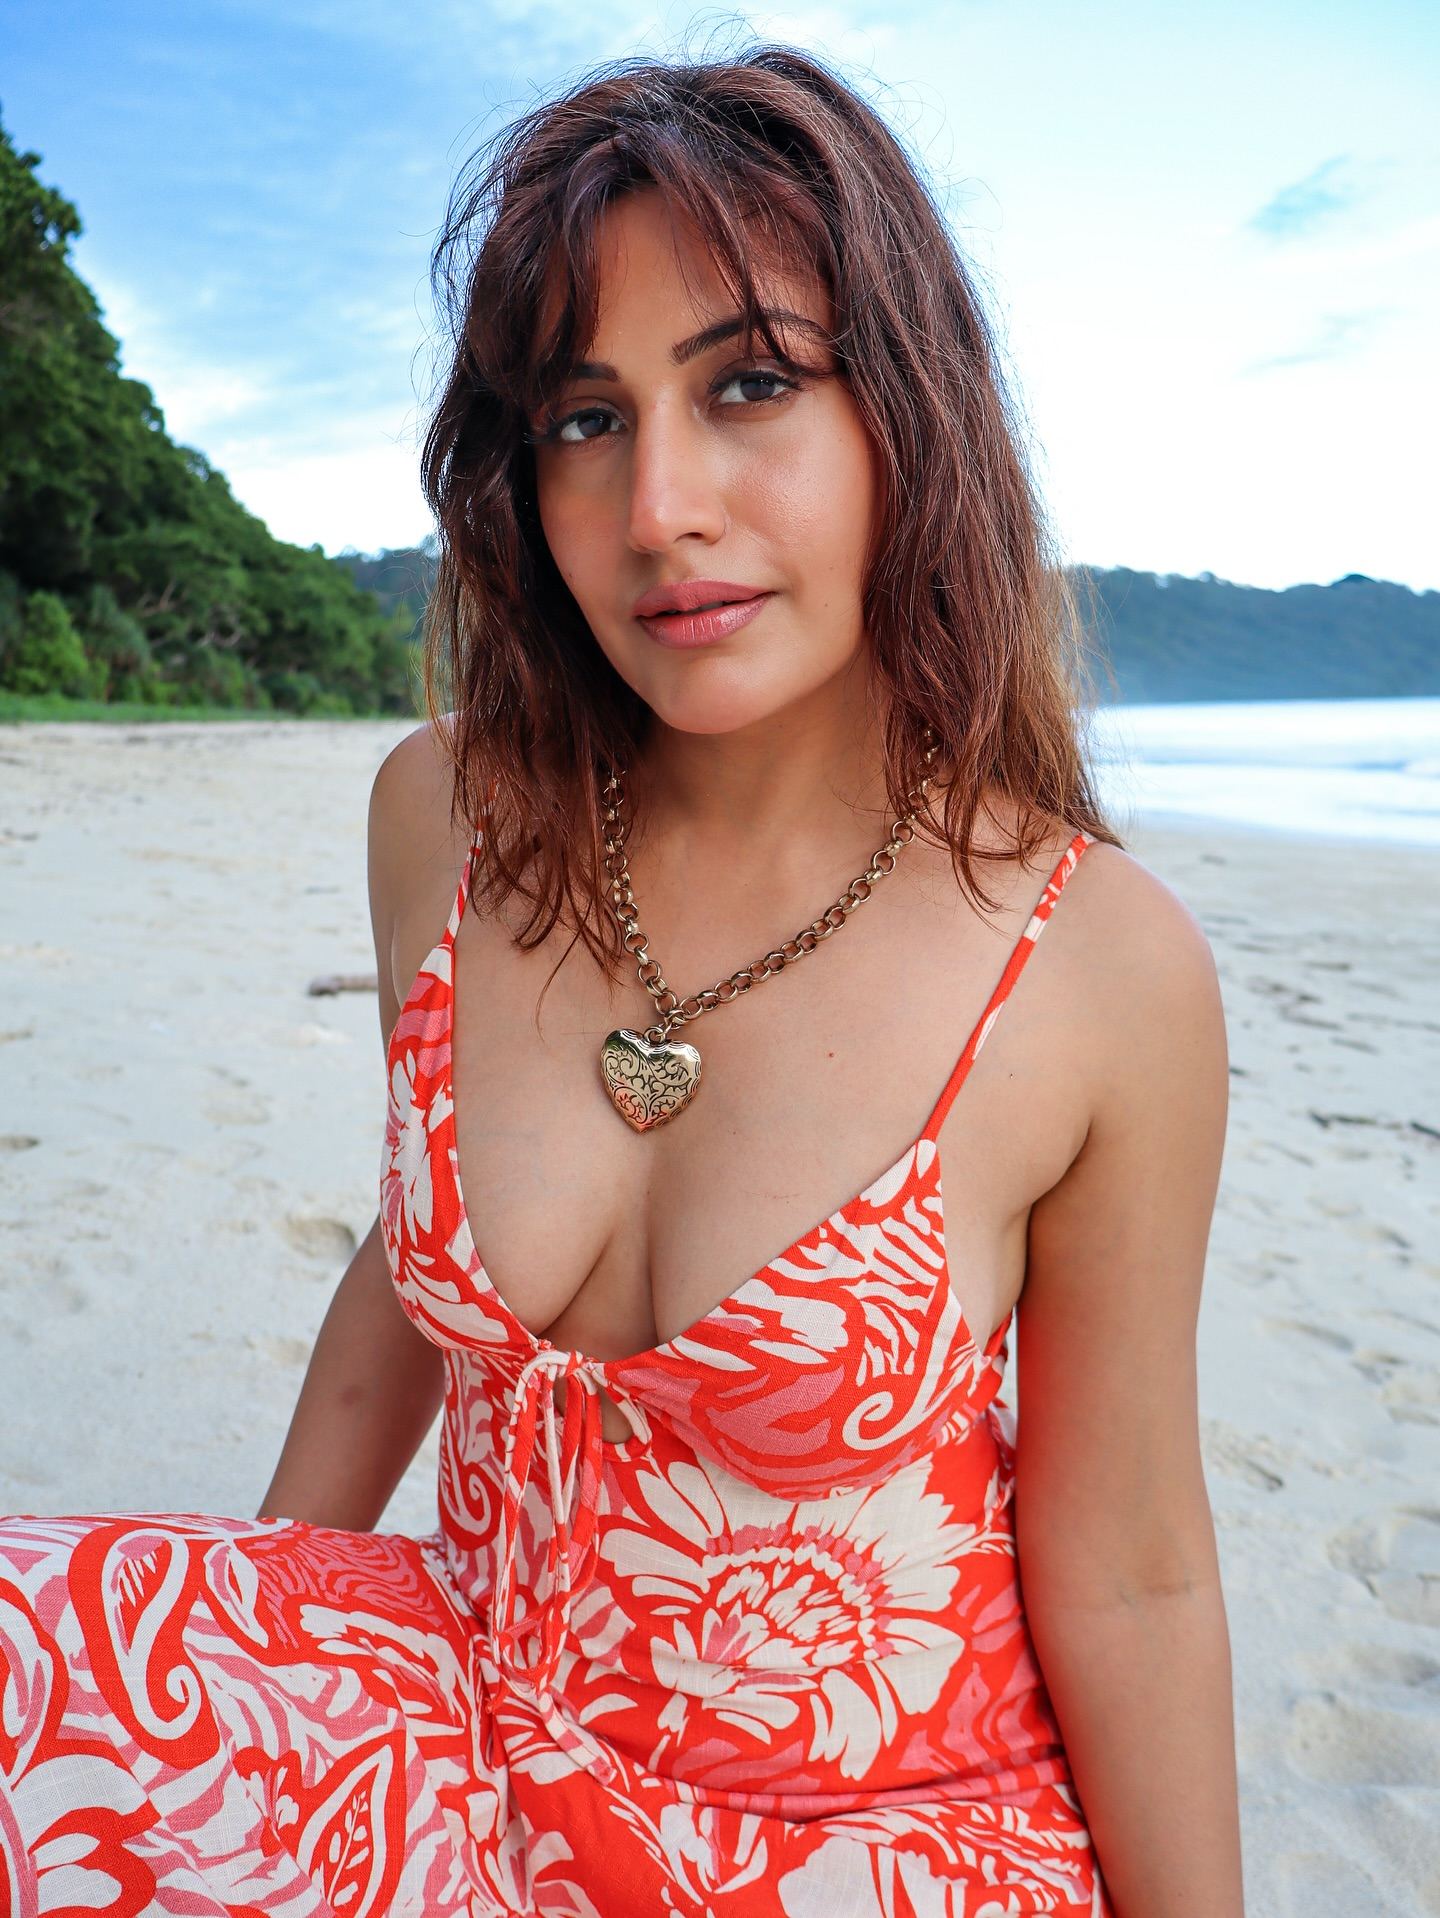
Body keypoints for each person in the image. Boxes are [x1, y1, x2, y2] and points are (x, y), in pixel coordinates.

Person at [0, 40, 1245, 1918]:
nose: (659, 505)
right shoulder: (447, 822)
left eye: (750, 385)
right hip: (472, 1730)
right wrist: (240, 1650)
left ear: (910, 414)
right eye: (586, 416)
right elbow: (416, 1263)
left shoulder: (1092, 967)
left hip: (868, 1839)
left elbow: (1137, 1563)